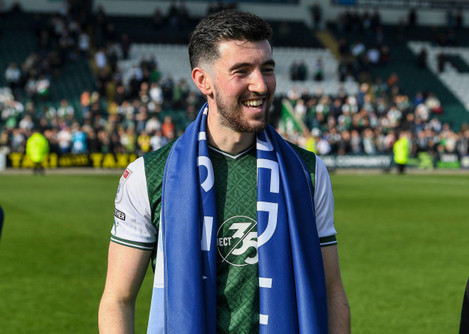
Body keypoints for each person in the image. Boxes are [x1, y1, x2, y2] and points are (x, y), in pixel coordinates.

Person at [99, 10, 350, 334]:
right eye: (242, 71)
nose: (260, 84)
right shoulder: (149, 176)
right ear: (204, 81)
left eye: (267, 69)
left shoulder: (308, 172)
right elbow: (118, 299)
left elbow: (332, 291)